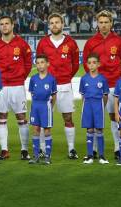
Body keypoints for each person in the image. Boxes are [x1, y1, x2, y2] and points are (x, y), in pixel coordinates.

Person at [82, 10, 121, 161]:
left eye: (106, 22)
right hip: (96, 87)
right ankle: (94, 150)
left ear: (111, 23)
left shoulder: (119, 41)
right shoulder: (91, 42)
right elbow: (85, 63)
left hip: (115, 84)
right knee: (95, 117)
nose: (103, 25)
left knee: (115, 117)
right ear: (97, 24)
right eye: (100, 22)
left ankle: (117, 148)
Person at [36, 13, 80, 159]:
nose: (54, 25)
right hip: (46, 87)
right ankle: (42, 149)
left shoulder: (71, 43)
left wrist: (66, 76)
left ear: (62, 24)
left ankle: (71, 149)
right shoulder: (43, 43)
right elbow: (39, 64)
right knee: (44, 120)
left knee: (68, 118)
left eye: (57, 22)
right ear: (49, 26)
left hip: (64, 86)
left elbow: (75, 65)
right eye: (52, 23)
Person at [0, 16, 33, 160]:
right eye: (1, 24)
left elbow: (28, 64)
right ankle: (4, 149)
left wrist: (20, 77)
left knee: (21, 117)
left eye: (7, 23)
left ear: (13, 25)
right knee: (1, 117)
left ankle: (24, 150)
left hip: (17, 86)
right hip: (1, 87)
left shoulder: (22, 44)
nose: (4, 26)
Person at [79, 54, 109, 164]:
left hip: (98, 105)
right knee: (89, 130)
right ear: (87, 65)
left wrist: (102, 107)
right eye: (89, 63)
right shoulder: (84, 79)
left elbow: (105, 95)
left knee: (99, 130)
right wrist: (85, 106)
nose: (91, 65)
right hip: (87, 105)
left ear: (98, 64)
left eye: (94, 62)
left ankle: (101, 156)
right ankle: (90, 155)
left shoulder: (102, 79)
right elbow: (82, 95)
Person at [27, 55, 57, 165]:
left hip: (46, 106)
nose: (40, 65)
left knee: (47, 130)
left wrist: (50, 107)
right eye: (38, 63)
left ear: (47, 64)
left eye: (42, 62)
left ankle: (47, 156)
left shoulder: (51, 79)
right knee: (35, 129)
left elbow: (54, 96)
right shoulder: (33, 78)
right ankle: (36, 156)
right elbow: (32, 93)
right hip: (35, 106)